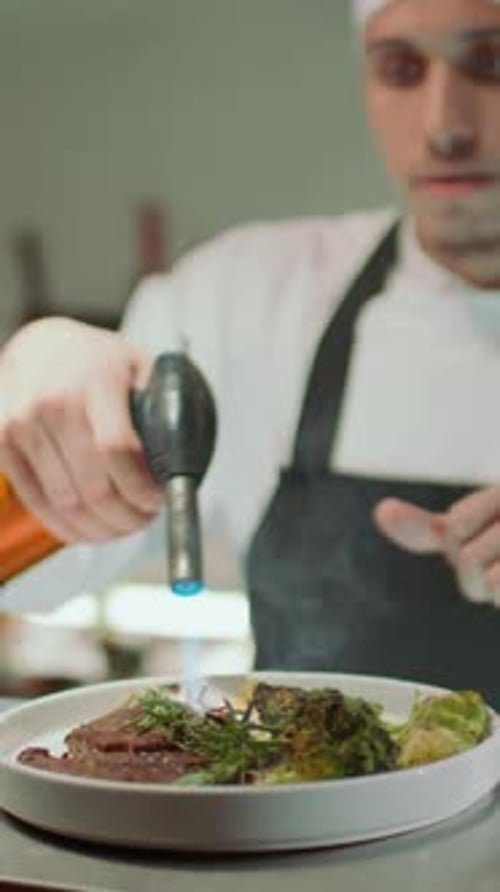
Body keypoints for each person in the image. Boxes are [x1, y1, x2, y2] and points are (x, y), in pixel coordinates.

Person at [2, 0, 500, 704]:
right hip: (307, 815)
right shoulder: (245, 297)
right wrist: (27, 401)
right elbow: (32, 563)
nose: (444, 125)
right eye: (400, 69)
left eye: (491, 62)